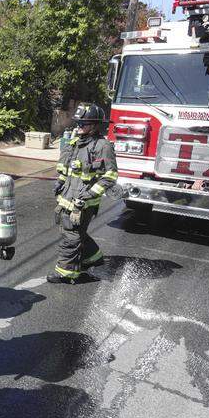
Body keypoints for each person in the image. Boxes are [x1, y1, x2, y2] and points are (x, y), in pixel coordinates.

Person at [49, 103, 117, 284]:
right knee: (72, 232)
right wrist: (60, 182)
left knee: (71, 236)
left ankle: (66, 273)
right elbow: (66, 170)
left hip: (83, 203)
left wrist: (88, 195)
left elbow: (109, 176)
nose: (79, 127)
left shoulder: (103, 146)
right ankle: (94, 259)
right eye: (78, 123)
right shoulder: (74, 144)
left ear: (95, 125)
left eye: (83, 124)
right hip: (66, 198)